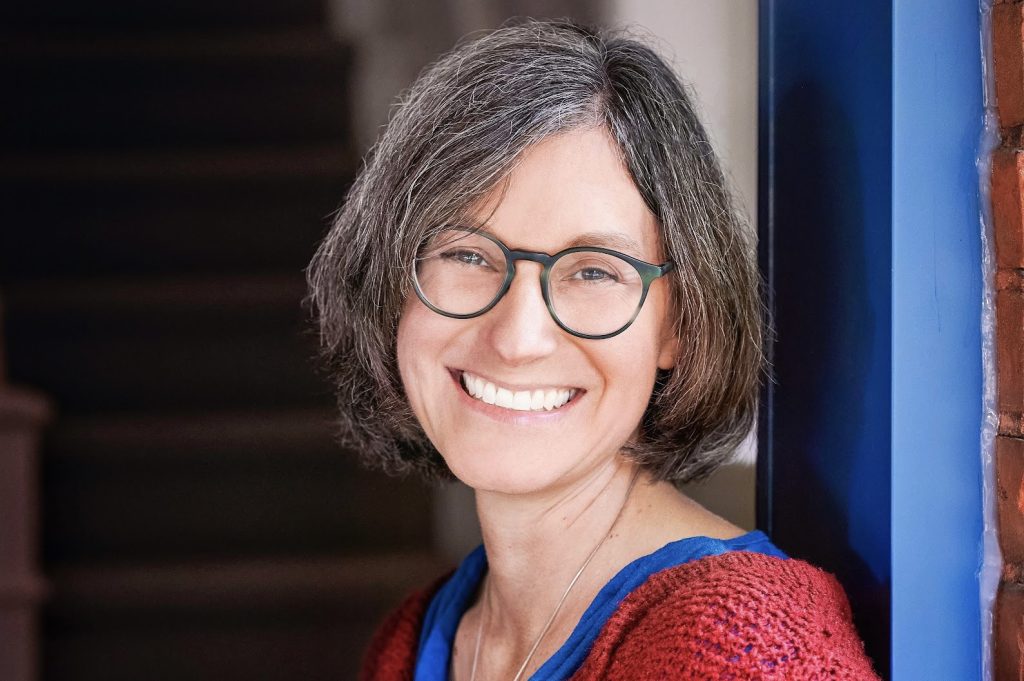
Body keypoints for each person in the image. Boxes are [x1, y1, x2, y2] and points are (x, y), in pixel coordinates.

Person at [306, 19, 880, 681]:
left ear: (680, 323)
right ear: (390, 282)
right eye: (467, 254)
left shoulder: (743, 649)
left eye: (593, 270)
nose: (518, 338)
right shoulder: (414, 638)